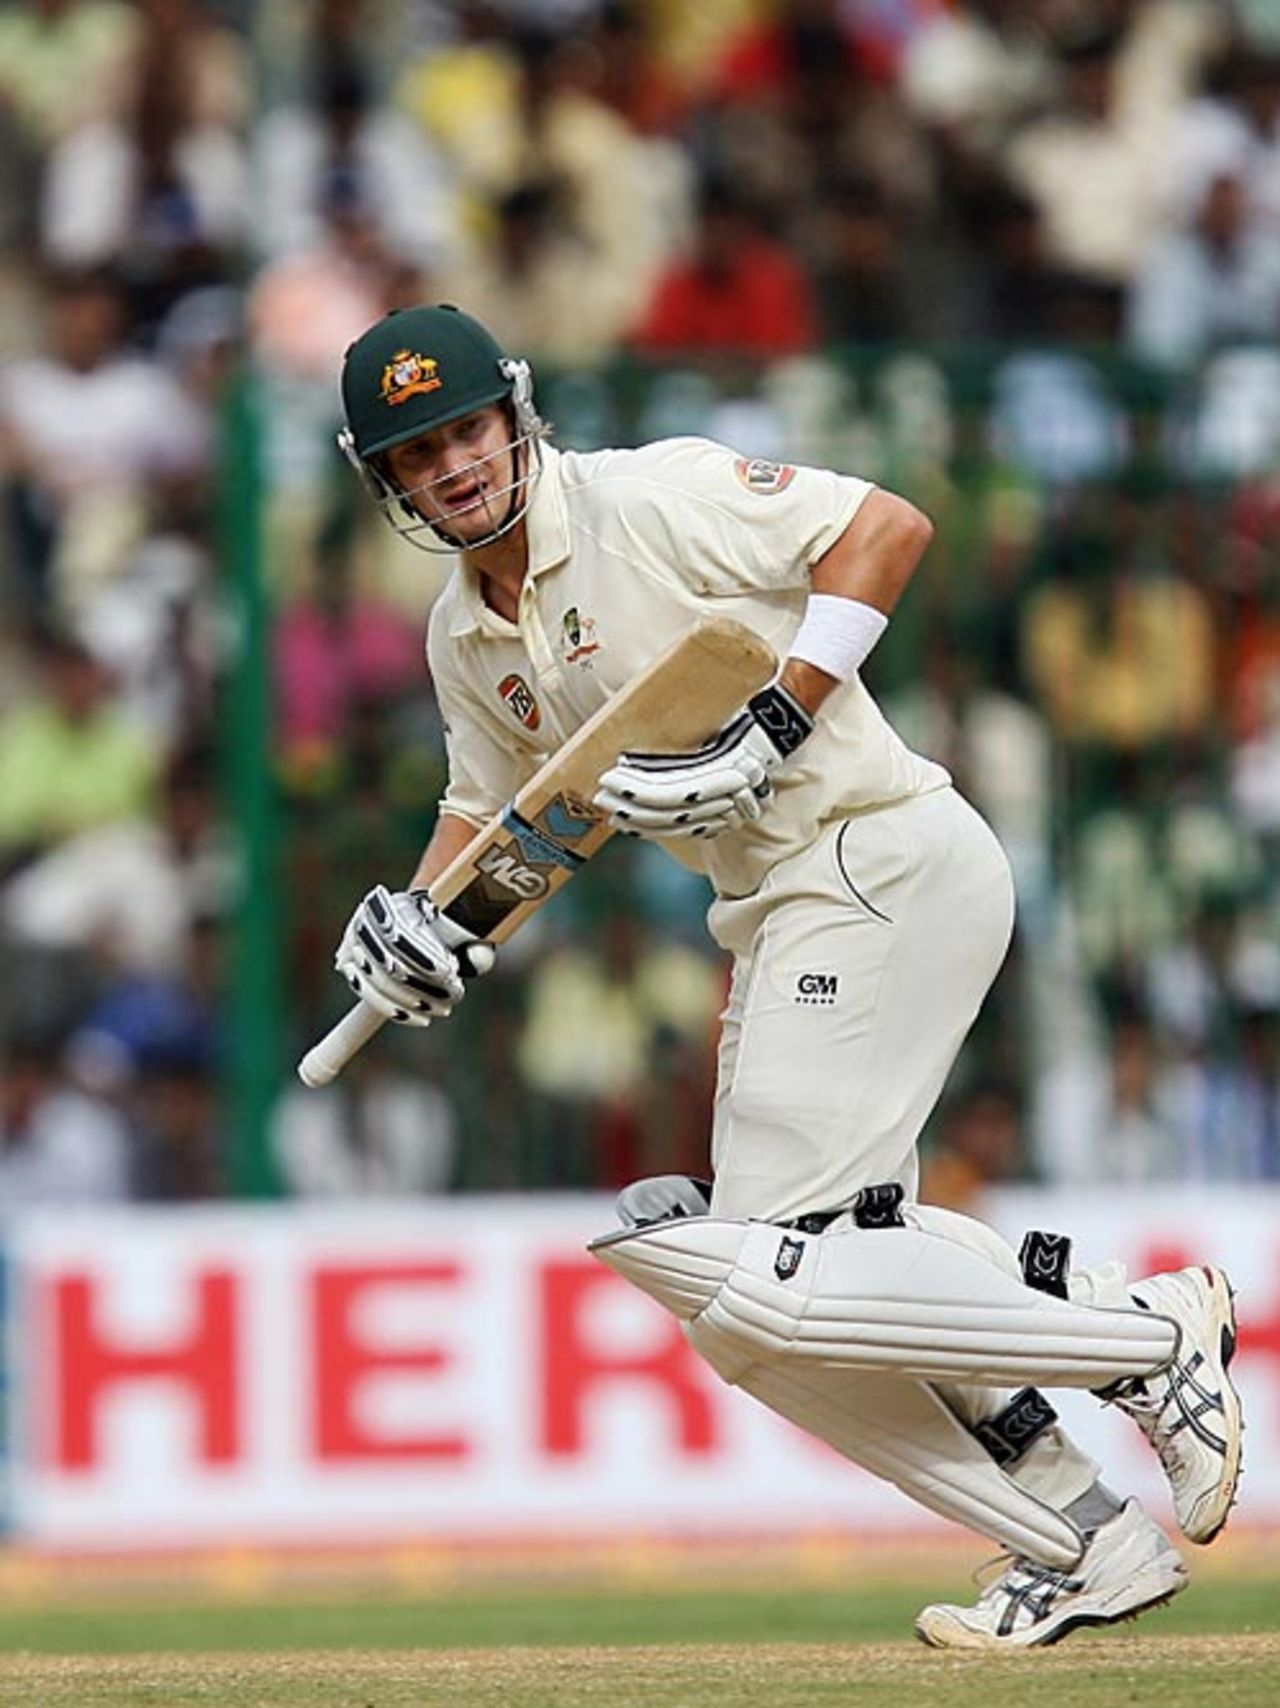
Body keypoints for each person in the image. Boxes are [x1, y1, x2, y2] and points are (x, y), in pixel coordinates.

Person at [327, 302, 1243, 1649]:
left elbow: (887, 525)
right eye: (419, 454)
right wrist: (425, 920)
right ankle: (1077, 1535)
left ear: (512, 418)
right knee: (750, 1309)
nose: (454, 466)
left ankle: (1149, 1337)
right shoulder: (464, 633)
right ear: (389, 481)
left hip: (875, 852)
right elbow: (505, 813)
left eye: (465, 430)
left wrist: (779, 709)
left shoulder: (650, 500)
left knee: (780, 1265)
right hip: (775, 910)